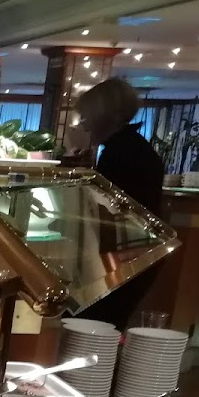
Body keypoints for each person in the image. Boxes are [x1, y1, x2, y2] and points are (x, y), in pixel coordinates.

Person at [72, 78, 165, 329]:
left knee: (95, 326)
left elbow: (106, 209)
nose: (84, 125)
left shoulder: (121, 153)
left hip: (128, 253)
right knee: (105, 325)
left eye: (86, 117)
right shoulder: (130, 146)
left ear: (103, 116)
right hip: (137, 251)